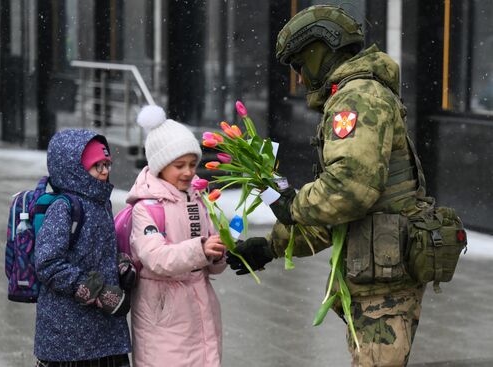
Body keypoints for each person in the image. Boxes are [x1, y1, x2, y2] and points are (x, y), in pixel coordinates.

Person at [227, 5, 431, 367]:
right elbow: (341, 213)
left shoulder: (357, 98)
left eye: (298, 65)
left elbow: (348, 191)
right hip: (377, 278)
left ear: (321, 48)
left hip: (384, 287)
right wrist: (272, 246)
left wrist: (293, 204)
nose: (301, 78)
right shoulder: (360, 93)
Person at [127, 105, 226, 367]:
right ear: (160, 166)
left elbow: (211, 250)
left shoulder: (197, 199)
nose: (189, 172)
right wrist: (201, 250)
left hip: (200, 309)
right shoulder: (146, 209)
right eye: (179, 165)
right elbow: (156, 258)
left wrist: (218, 253)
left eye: (193, 164)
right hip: (163, 314)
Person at [34, 129, 132, 366]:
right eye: (97, 165)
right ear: (73, 169)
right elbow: (47, 263)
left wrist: (120, 265)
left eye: (107, 163)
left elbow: (97, 251)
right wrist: (91, 289)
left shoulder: (101, 203)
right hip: (69, 337)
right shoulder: (63, 208)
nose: (105, 171)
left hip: (105, 330)